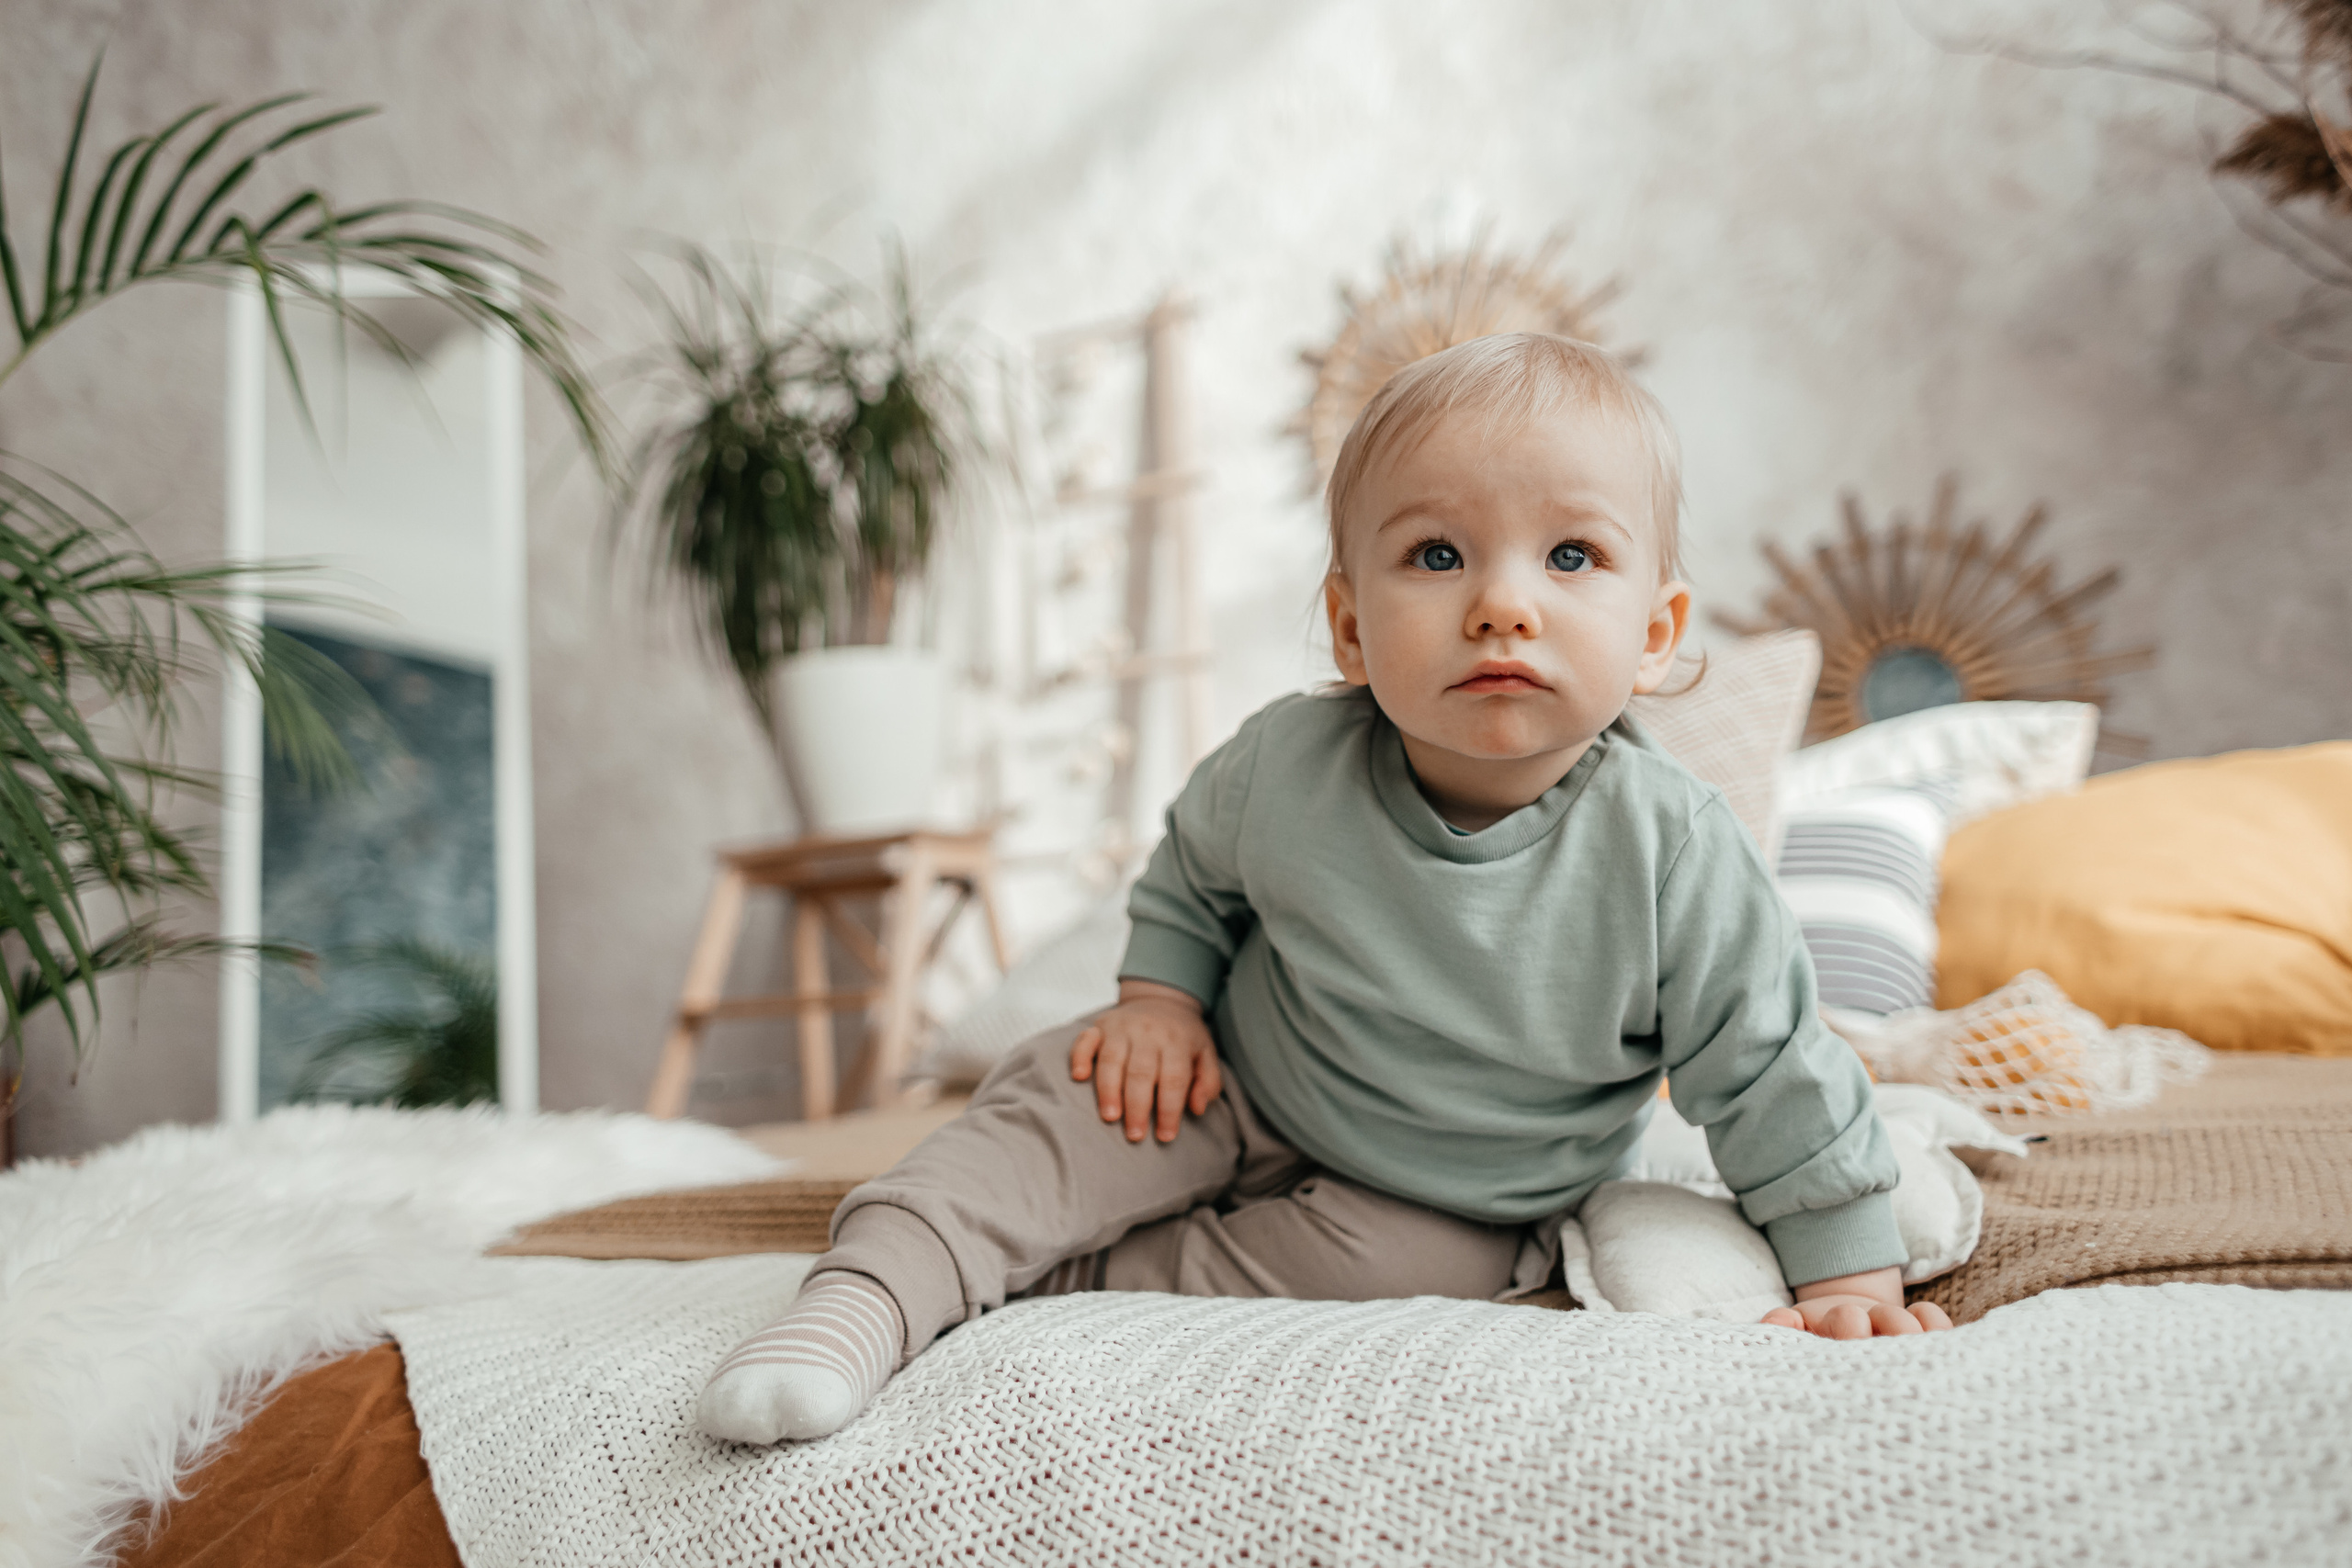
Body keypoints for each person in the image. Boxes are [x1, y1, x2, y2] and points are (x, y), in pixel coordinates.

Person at [698, 332, 1949, 1447]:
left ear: (1659, 631)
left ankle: (1060, 1276)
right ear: (1351, 629)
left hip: (1449, 1191)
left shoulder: (1672, 850)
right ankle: (865, 1301)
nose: (1503, 604)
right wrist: (1159, 1003)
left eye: (1572, 555)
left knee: (1385, 1282)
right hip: (1234, 1077)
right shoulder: (1290, 761)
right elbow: (1194, 872)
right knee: (1050, 1111)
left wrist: (1849, 1277)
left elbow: (1774, 1069)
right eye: (1438, 554)